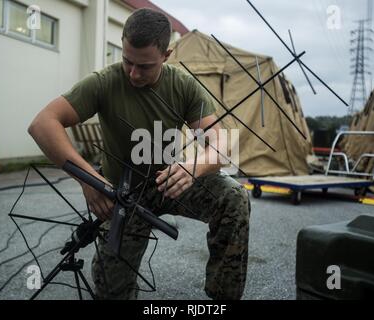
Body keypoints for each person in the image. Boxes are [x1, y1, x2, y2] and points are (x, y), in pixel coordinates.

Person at [28, 8, 250, 300]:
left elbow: (221, 142)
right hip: (123, 194)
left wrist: (193, 167)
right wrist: (89, 181)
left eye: (144, 66)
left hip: (169, 183)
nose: (133, 73)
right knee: (112, 288)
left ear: (166, 55)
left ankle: (224, 297)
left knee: (234, 197)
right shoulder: (104, 82)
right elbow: (42, 124)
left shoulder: (182, 85)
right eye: (127, 61)